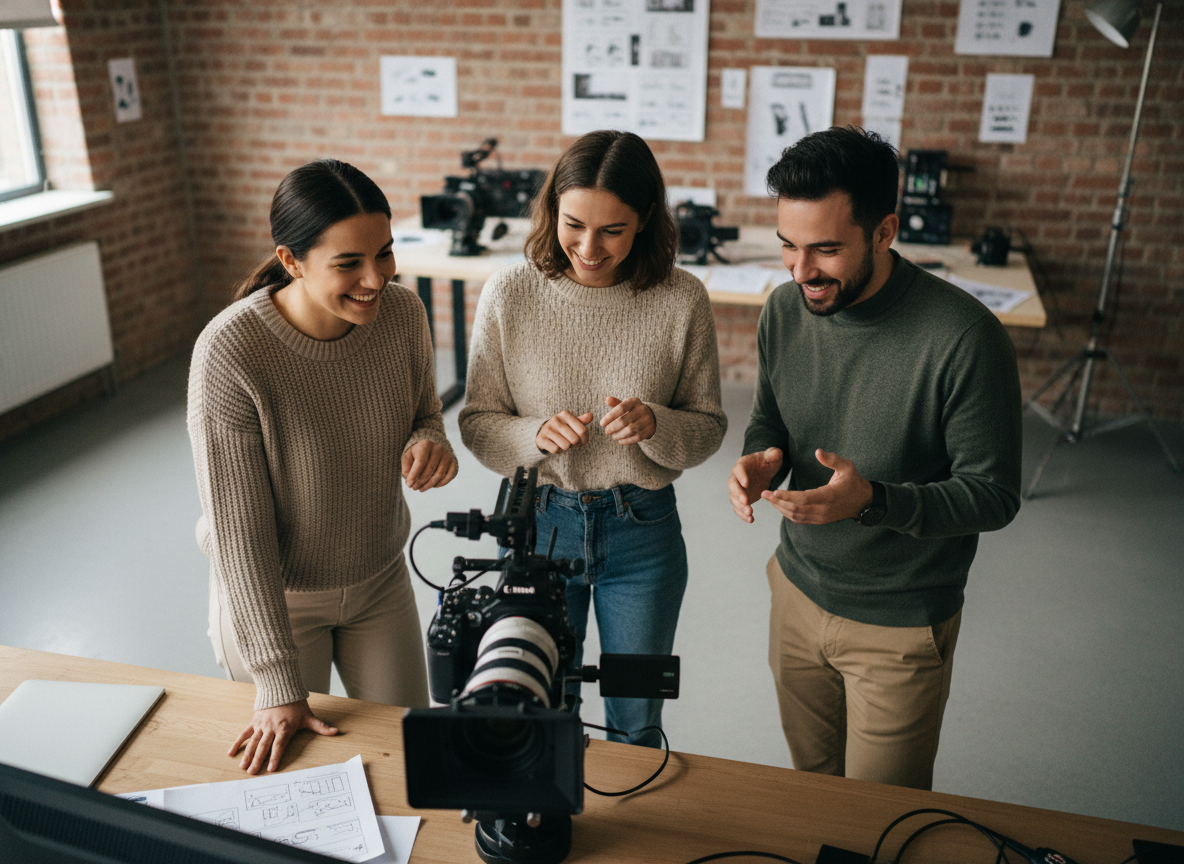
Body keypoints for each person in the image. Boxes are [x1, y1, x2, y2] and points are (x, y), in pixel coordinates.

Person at [727, 127, 1022, 789]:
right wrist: (758, 460)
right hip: (796, 593)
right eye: (788, 246)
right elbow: (771, 421)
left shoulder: (966, 339)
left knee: (880, 820)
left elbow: (994, 494)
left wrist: (875, 500)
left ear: (885, 231)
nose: (801, 271)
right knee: (814, 790)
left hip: (900, 623)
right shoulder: (784, 310)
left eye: (826, 250)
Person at [459, 130, 727, 747]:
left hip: (643, 534)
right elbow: (478, 422)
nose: (588, 247)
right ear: (551, 209)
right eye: (573, 223)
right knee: (540, 709)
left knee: (636, 719)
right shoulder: (510, 293)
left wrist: (657, 425)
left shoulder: (681, 298)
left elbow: (708, 426)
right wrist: (533, 435)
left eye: (613, 229)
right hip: (539, 527)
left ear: (646, 223)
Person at [188, 159, 457, 774]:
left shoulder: (404, 315)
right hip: (274, 597)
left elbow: (423, 411)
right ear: (291, 261)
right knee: (293, 775)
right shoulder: (230, 351)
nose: (376, 278)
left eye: (385, 253)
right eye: (348, 264)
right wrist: (277, 681)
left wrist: (428, 439)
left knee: (408, 759)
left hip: (378, 578)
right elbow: (239, 532)